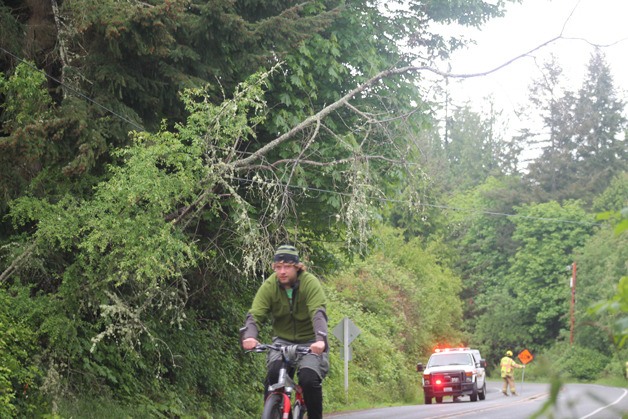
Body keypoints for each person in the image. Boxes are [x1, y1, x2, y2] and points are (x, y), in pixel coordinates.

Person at [241, 245, 329, 419]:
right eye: (278, 267)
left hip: (310, 341)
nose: (282, 271)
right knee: (274, 375)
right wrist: (249, 336)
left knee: (308, 379)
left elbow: (318, 313)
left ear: (297, 267)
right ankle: (274, 412)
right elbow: (255, 314)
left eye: (287, 266)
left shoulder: (309, 283)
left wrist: (320, 340)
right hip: (282, 342)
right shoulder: (270, 286)